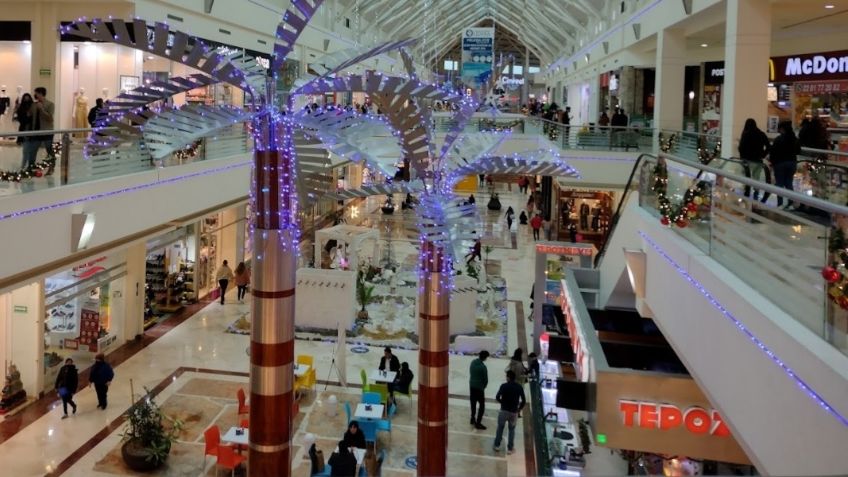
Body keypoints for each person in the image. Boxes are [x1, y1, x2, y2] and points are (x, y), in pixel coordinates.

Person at [738, 118, 771, 202]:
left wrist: (742, 157)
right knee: (756, 179)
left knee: (747, 178)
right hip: (757, 160)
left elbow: (741, 147)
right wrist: (763, 155)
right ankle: (756, 197)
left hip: (747, 160)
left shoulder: (746, 134)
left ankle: (746, 195)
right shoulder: (761, 134)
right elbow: (768, 146)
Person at [493, 370, 526, 454]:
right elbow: (523, 401)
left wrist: (502, 402)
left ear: (508, 377)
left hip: (503, 411)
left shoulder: (504, 386)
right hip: (514, 412)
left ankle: (497, 445)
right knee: (511, 430)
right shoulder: (519, 387)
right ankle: (510, 449)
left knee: (500, 428)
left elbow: (497, 397)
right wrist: (519, 409)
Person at [22, 87, 55, 172]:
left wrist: (41, 109)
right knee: (32, 150)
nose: (35, 95)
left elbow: (50, 119)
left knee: (49, 150)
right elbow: (30, 116)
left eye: (36, 93)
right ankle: (30, 167)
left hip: (47, 131)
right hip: (36, 132)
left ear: (40, 93)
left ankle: (51, 168)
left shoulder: (50, 104)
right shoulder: (34, 104)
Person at [769, 121, 800, 209]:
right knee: (789, 183)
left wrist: (772, 162)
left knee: (779, 183)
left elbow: (773, 152)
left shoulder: (778, 139)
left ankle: (780, 203)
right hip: (792, 163)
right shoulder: (794, 139)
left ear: (782, 129)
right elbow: (798, 151)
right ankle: (790, 203)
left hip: (780, 164)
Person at [469, 350, 489, 430]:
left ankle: (472, 418)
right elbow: (486, 380)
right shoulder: (483, 367)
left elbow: (471, 372)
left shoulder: (473, 362)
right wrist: (483, 387)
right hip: (479, 388)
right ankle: (478, 422)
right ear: (484, 357)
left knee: (473, 403)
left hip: (472, 386)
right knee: (482, 406)